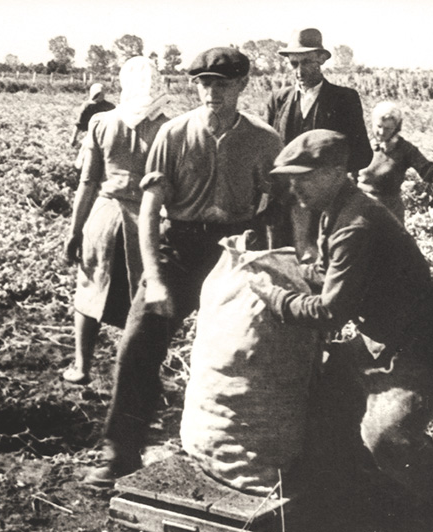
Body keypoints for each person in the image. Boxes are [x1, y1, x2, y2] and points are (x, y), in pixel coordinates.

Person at [251, 129, 433, 532]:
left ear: (334, 173)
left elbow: (330, 312)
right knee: (324, 391)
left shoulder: (356, 223)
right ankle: (361, 488)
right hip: (384, 339)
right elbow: (328, 273)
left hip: (421, 347)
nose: (293, 187)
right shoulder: (336, 209)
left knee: (385, 436)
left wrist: (272, 296)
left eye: (301, 176)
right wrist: (276, 265)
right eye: (289, 177)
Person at [83, 47, 283, 487]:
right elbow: (151, 210)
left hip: (236, 252)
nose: (212, 91)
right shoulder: (173, 134)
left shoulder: (265, 139)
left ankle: (249, 457)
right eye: (204, 82)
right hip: (180, 249)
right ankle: (119, 452)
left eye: (222, 84)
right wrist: (154, 279)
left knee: (251, 350)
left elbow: (279, 207)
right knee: (138, 344)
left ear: (242, 86)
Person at [62, 56, 170, 385]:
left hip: (104, 216)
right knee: (140, 297)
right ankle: (132, 376)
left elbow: (87, 183)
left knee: (89, 288)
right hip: (147, 221)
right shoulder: (169, 127)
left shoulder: (102, 122)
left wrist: (74, 230)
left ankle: (81, 367)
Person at [262, 28, 372, 262]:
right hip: (282, 204)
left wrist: (324, 175)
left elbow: (362, 154)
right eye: (294, 64)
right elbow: (266, 152)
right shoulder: (278, 100)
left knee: (324, 269)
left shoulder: (344, 99)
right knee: (283, 265)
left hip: (327, 205)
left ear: (321, 59)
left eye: (307, 62)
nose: (299, 71)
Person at [358, 100, 433, 222]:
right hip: (361, 210)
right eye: (379, 126)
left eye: (388, 128)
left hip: (389, 214)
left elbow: (429, 170)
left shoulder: (405, 149)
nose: (382, 132)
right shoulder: (363, 144)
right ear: (372, 123)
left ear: (396, 128)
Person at [69, 83, 116, 148]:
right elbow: (79, 124)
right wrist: (73, 138)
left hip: (106, 135)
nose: (100, 96)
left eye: (101, 94)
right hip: (90, 135)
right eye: (97, 94)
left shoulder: (109, 106)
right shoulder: (87, 106)